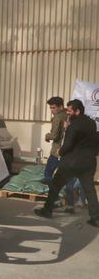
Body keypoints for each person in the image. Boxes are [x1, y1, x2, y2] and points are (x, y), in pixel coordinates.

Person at [34, 99, 99, 227]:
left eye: (70, 111)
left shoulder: (73, 125)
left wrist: (60, 151)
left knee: (56, 185)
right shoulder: (92, 123)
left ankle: (47, 210)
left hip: (72, 163)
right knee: (90, 190)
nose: (68, 113)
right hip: (89, 162)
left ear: (78, 111)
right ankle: (95, 217)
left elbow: (68, 145)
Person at [43, 96, 67, 183]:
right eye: (50, 107)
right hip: (66, 149)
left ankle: (49, 191)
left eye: (54, 107)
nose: (51, 110)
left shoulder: (57, 117)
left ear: (60, 107)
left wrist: (47, 136)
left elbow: (54, 136)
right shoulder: (67, 114)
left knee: (48, 172)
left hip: (57, 149)